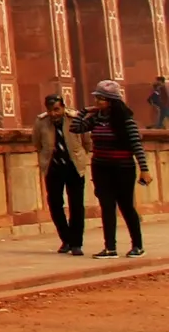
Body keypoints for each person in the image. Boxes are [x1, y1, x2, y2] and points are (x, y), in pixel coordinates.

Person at [73, 81, 150, 257]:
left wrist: (144, 170)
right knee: (106, 207)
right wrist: (84, 111)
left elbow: (136, 146)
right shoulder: (96, 118)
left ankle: (137, 245)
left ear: (111, 101)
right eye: (97, 98)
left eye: (102, 99)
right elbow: (75, 127)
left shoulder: (125, 121)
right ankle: (110, 247)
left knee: (126, 207)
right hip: (101, 167)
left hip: (123, 168)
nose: (98, 102)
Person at [33, 93, 88, 254]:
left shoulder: (75, 118)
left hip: (74, 166)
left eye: (56, 109)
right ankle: (66, 239)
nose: (53, 113)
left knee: (76, 205)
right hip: (53, 167)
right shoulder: (41, 122)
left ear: (63, 108)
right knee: (55, 204)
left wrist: (81, 157)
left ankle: (77, 243)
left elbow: (87, 142)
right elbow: (37, 143)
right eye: (50, 110)